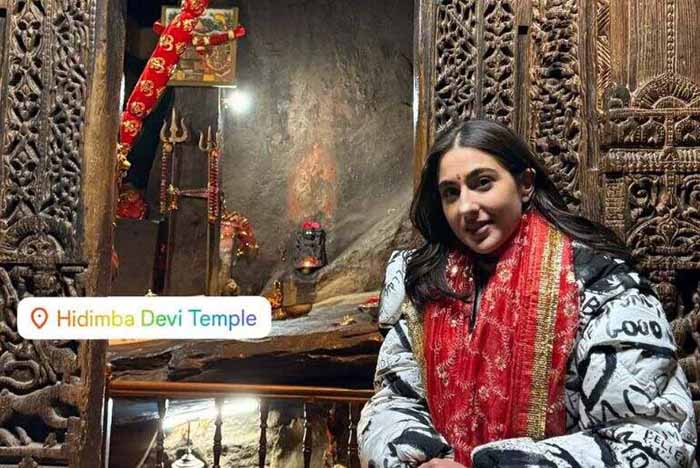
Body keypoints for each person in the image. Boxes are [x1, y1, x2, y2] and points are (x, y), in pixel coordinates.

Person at [358, 120, 697, 468]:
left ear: (525, 184)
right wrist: (422, 461)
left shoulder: (601, 284)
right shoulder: (429, 285)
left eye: (482, 183)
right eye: (451, 193)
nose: (466, 207)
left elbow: (651, 436)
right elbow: (392, 399)